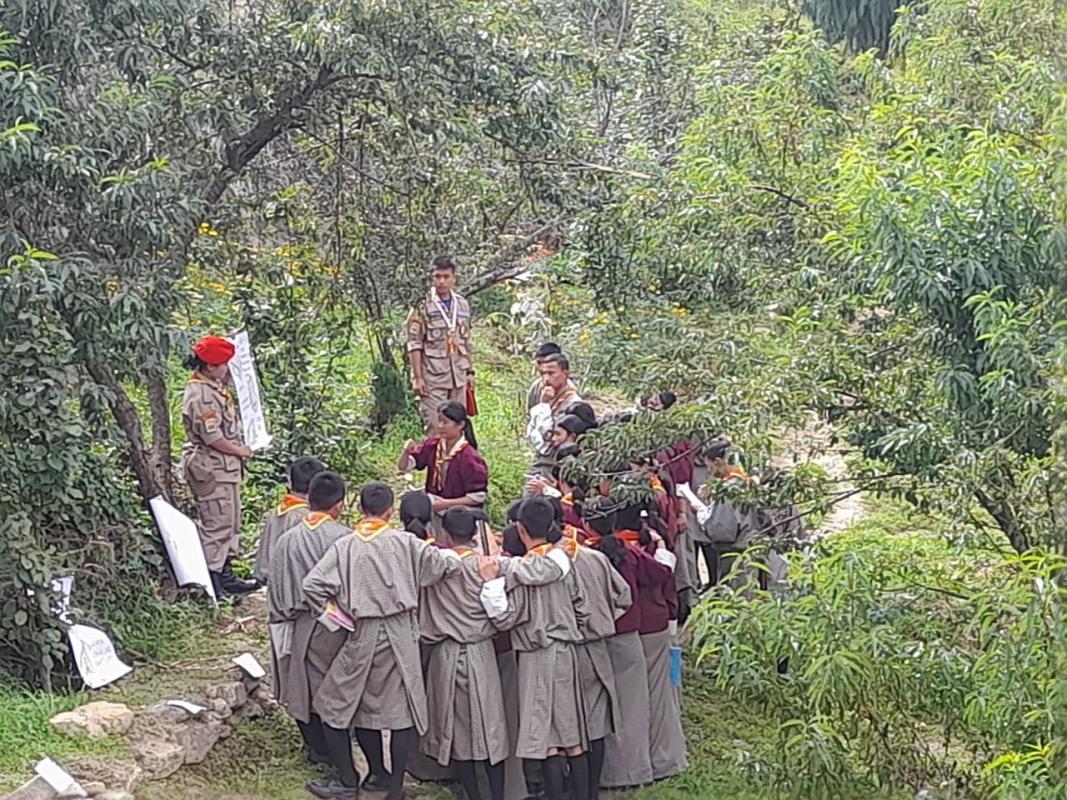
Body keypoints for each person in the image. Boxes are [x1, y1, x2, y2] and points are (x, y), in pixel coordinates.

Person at [302, 482, 465, 800]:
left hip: (364, 629)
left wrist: (338, 619)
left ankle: (354, 778)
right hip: (402, 631)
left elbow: (313, 585)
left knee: (339, 702)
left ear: (360, 509)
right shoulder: (406, 543)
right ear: (390, 511)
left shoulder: (346, 546)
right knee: (400, 708)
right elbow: (444, 566)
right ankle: (394, 787)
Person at [478, 497, 590, 800]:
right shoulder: (564, 562)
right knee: (571, 734)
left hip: (536, 654)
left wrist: (490, 583)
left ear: (520, 529)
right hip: (566, 651)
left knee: (546, 737)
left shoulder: (518, 573)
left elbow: (504, 617)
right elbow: (583, 606)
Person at [420, 506, 509, 800]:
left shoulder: (435, 569)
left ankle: (472, 794)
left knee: (456, 729)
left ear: (445, 535)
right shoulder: (486, 567)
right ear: (474, 535)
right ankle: (497, 794)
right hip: (480, 651)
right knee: (490, 727)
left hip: (444, 653)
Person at [266, 471, 353, 772]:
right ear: (339, 505)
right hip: (336, 625)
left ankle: (317, 748)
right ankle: (339, 758)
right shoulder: (344, 538)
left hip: (296, 621)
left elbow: (275, 585)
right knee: (333, 689)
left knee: (300, 685)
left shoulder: (287, 540)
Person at [560, 514, 632, 798]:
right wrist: (606, 620)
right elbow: (624, 595)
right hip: (598, 645)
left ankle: (573, 789)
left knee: (568, 723)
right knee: (597, 721)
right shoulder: (595, 557)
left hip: (569, 649)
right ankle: (591, 790)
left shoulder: (548, 565)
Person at [613, 504, 687, 781]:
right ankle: (665, 760)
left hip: (629, 629)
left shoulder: (614, 551)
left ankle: (638, 765)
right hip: (656, 625)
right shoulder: (653, 546)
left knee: (631, 701)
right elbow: (666, 578)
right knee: (660, 695)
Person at [179, 335, 256, 598]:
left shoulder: (214, 387)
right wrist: (240, 451)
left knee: (231, 522)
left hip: (225, 469)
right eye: (223, 364)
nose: (227, 369)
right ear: (210, 366)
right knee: (216, 524)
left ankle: (225, 573)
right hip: (211, 469)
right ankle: (211, 581)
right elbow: (213, 437)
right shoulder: (201, 395)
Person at [406, 255, 475, 432]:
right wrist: (417, 378)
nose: (442, 281)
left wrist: (469, 372)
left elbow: (466, 341)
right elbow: (414, 344)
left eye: (446, 277)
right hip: (433, 378)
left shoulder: (462, 305)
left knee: (458, 428)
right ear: (432, 278)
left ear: (454, 278)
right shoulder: (422, 306)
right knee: (436, 427)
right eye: (437, 276)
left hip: (458, 377)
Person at [399, 401, 489, 535]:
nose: (440, 426)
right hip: (434, 506)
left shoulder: (469, 457)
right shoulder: (433, 445)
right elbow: (404, 467)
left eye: (445, 422)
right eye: (439, 421)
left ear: (460, 425)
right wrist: (406, 452)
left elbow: (478, 497)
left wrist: (445, 504)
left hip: (458, 513)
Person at [254, 456, 327, 584]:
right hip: (291, 585)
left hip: (268, 580)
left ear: (290, 482)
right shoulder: (306, 518)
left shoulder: (276, 512)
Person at [692, 439, 751, 588]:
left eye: (710, 467)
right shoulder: (748, 482)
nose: (709, 472)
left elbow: (721, 530)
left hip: (734, 554)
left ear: (718, 461)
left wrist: (702, 514)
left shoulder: (728, 490)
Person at [526, 354, 582, 486]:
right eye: (543, 374)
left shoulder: (573, 403)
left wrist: (544, 405)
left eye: (551, 373)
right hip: (541, 459)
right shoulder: (544, 394)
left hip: (557, 463)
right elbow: (531, 431)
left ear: (565, 373)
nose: (546, 379)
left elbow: (547, 435)